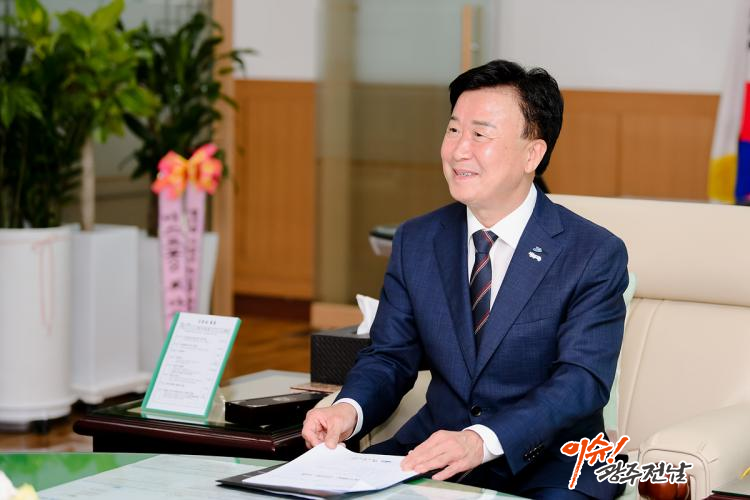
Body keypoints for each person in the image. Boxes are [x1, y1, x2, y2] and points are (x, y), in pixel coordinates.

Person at [302, 59, 629, 499]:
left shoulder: (591, 253)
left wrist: (482, 440)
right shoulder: (418, 239)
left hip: (553, 464)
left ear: (532, 154)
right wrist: (349, 409)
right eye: (453, 129)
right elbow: (390, 357)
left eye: (480, 134)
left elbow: (580, 383)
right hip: (434, 452)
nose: (458, 150)